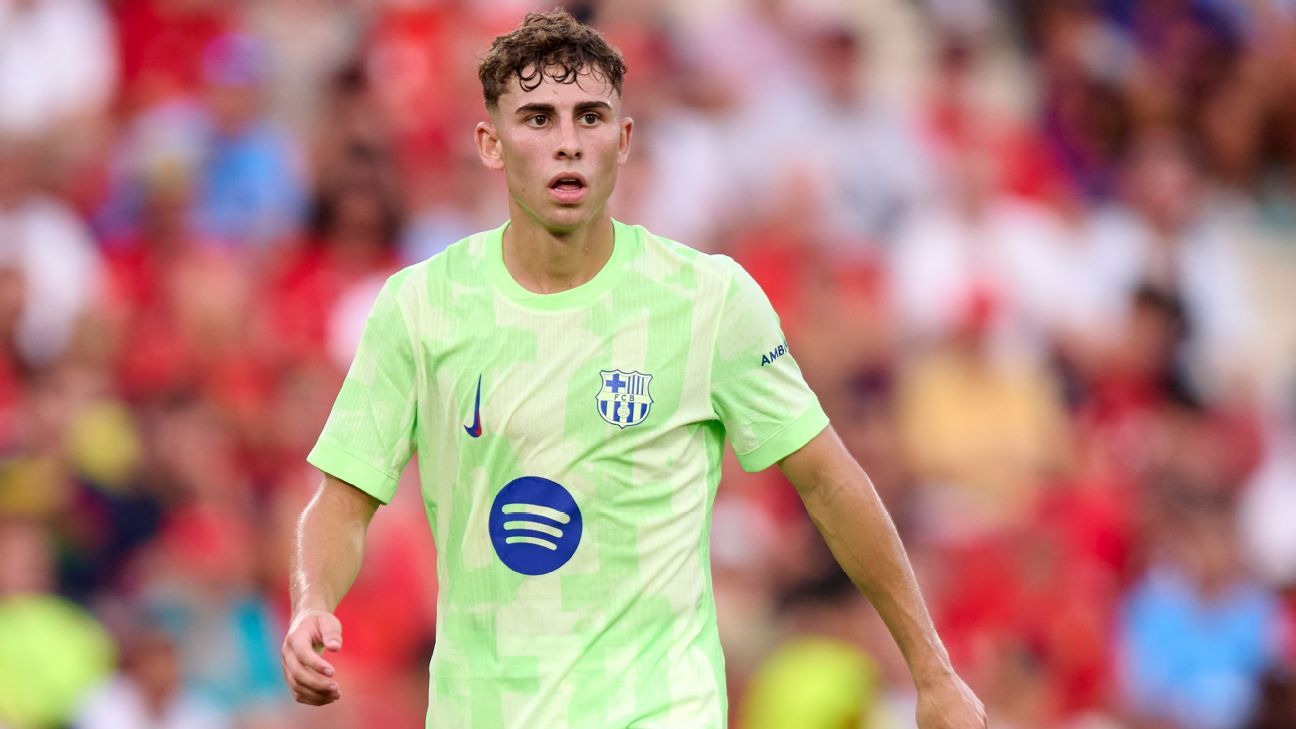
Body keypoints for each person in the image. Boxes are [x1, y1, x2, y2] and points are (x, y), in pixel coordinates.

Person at [280, 9, 986, 729]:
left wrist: (932, 670)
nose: (567, 143)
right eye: (538, 119)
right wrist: (312, 601)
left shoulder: (708, 299)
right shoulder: (421, 305)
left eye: (589, 118)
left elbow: (830, 481)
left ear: (622, 141)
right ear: (491, 144)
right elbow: (344, 497)